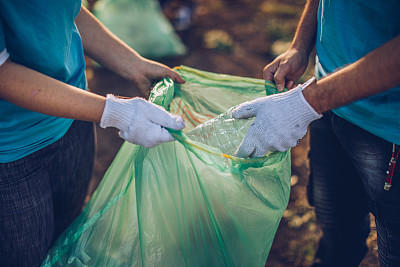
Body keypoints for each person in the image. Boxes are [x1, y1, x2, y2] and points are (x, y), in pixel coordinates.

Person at [0, 1, 185, 266]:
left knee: (68, 238)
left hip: (74, 118)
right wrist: (116, 112)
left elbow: (65, 11)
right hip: (10, 150)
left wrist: (134, 64)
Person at [232, 0, 400, 266]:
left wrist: (305, 102)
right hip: (328, 104)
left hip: (388, 131)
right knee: (336, 230)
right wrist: (300, 45)